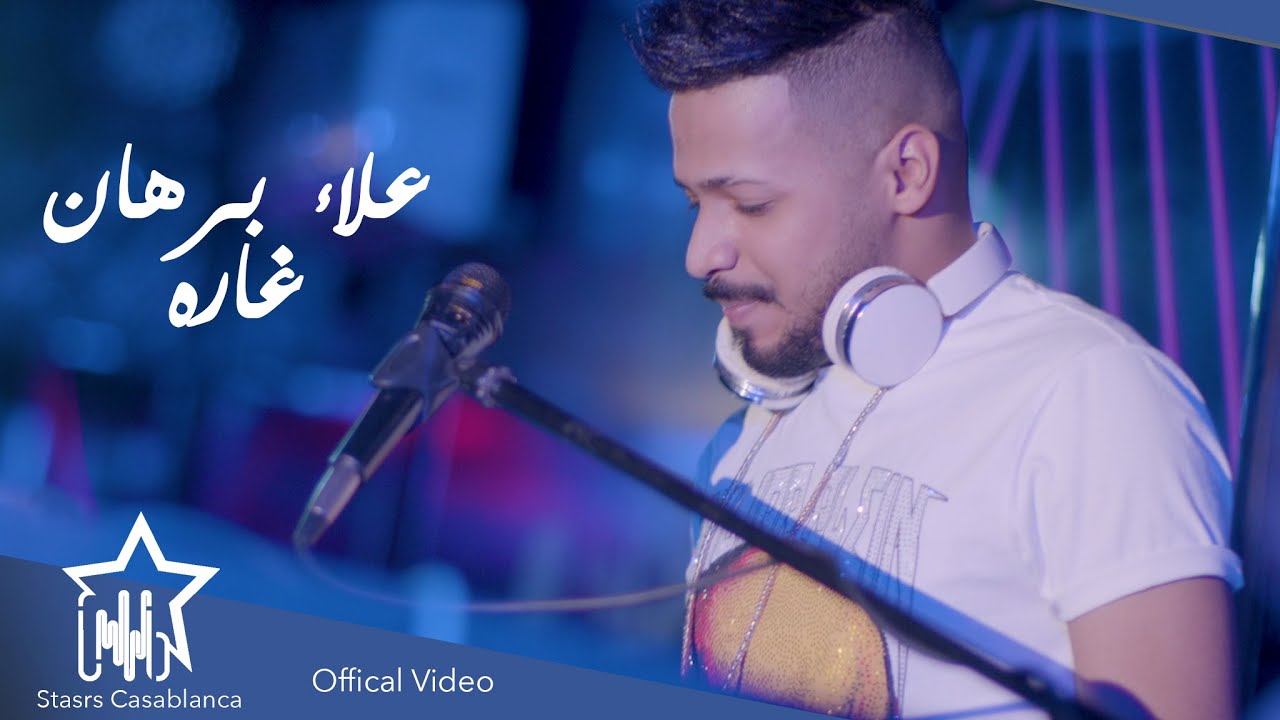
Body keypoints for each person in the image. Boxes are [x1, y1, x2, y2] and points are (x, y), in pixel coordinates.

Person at [626, 2, 1242, 718]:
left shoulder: (1092, 393)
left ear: (907, 172)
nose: (701, 254)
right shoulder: (750, 432)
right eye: (694, 204)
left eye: (751, 204)